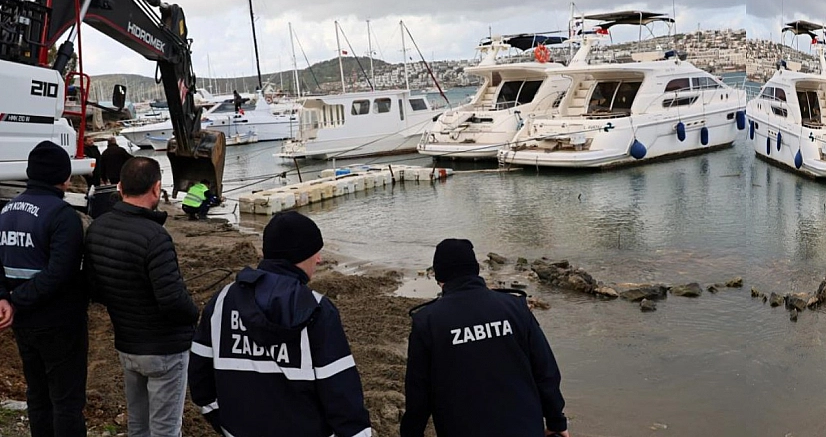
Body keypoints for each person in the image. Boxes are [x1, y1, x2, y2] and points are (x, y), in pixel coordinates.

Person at [189, 211, 372, 437]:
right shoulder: (317, 309)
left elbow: (200, 382)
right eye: (315, 252)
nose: (319, 259)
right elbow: (341, 394)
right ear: (300, 255)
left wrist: (225, 423)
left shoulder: (222, 301)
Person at [400, 239, 569, 437]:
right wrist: (556, 420)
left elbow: (418, 394)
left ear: (439, 276)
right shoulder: (515, 308)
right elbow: (545, 370)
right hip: (524, 427)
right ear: (476, 270)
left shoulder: (427, 321)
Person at [84, 157, 199, 436]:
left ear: (120, 187)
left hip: (128, 345)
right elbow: (172, 300)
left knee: (138, 425)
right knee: (165, 429)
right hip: (164, 350)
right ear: (157, 189)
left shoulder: (97, 228)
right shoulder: (155, 237)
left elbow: (93, 287)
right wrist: (195, 315)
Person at [0, 141, 88, 436]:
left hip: (23, 324)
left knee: (37, 396)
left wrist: (5, 298)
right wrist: (13, 298)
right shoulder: (62, 215)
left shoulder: (6, 211)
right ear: (63, 178)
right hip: (59, 323)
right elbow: (59, 273)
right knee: (66, 401)